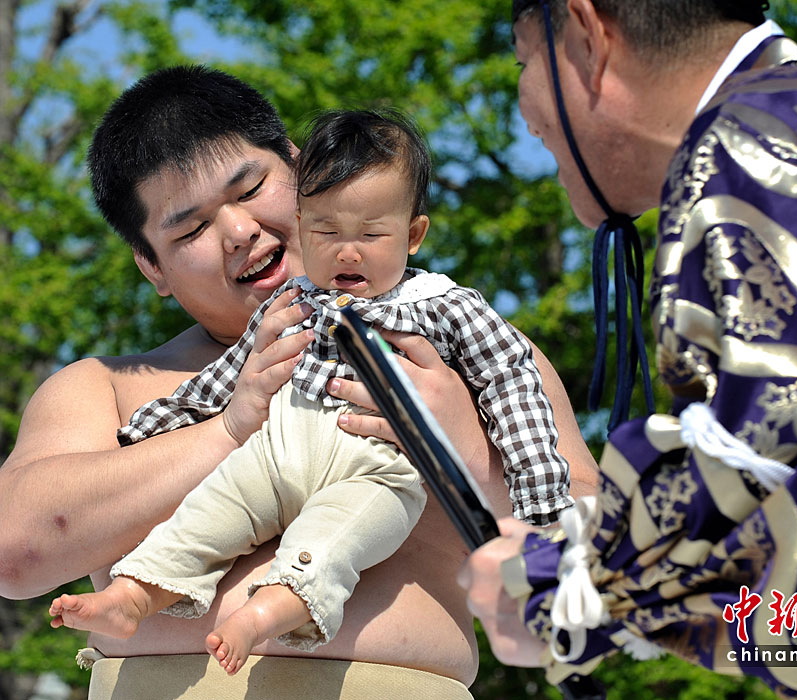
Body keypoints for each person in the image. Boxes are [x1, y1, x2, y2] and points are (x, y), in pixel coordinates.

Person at [0, 66, 599, 699]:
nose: (239, 232)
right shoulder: (102, 387)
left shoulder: (458, 356)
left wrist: (467, 452)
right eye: (192, 228)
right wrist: (228, 430)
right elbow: (14, 551)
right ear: (153, 266)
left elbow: (594, 571)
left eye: (252, 188)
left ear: (300, 167)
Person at [459, 1, 797, 699]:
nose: (527, 114)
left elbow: (771, 434)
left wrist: (568, 585)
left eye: (526, 59)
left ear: (587, 33)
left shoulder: (754, 140)